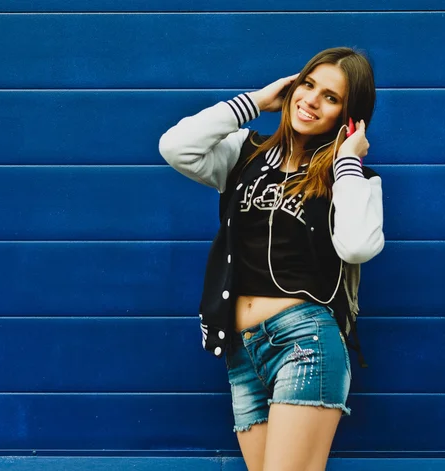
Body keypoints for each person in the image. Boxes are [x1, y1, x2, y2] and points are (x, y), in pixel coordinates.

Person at [158, 47, 384, 471]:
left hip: (305, 343)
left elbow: (356, 247)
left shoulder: (353, 180)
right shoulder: (244, 155)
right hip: (241, 352)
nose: (312, 100)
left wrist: (348, 160)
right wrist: (258, 101)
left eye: (331, 98)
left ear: (348, 117)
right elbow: (175, 146)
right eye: (308, 84)